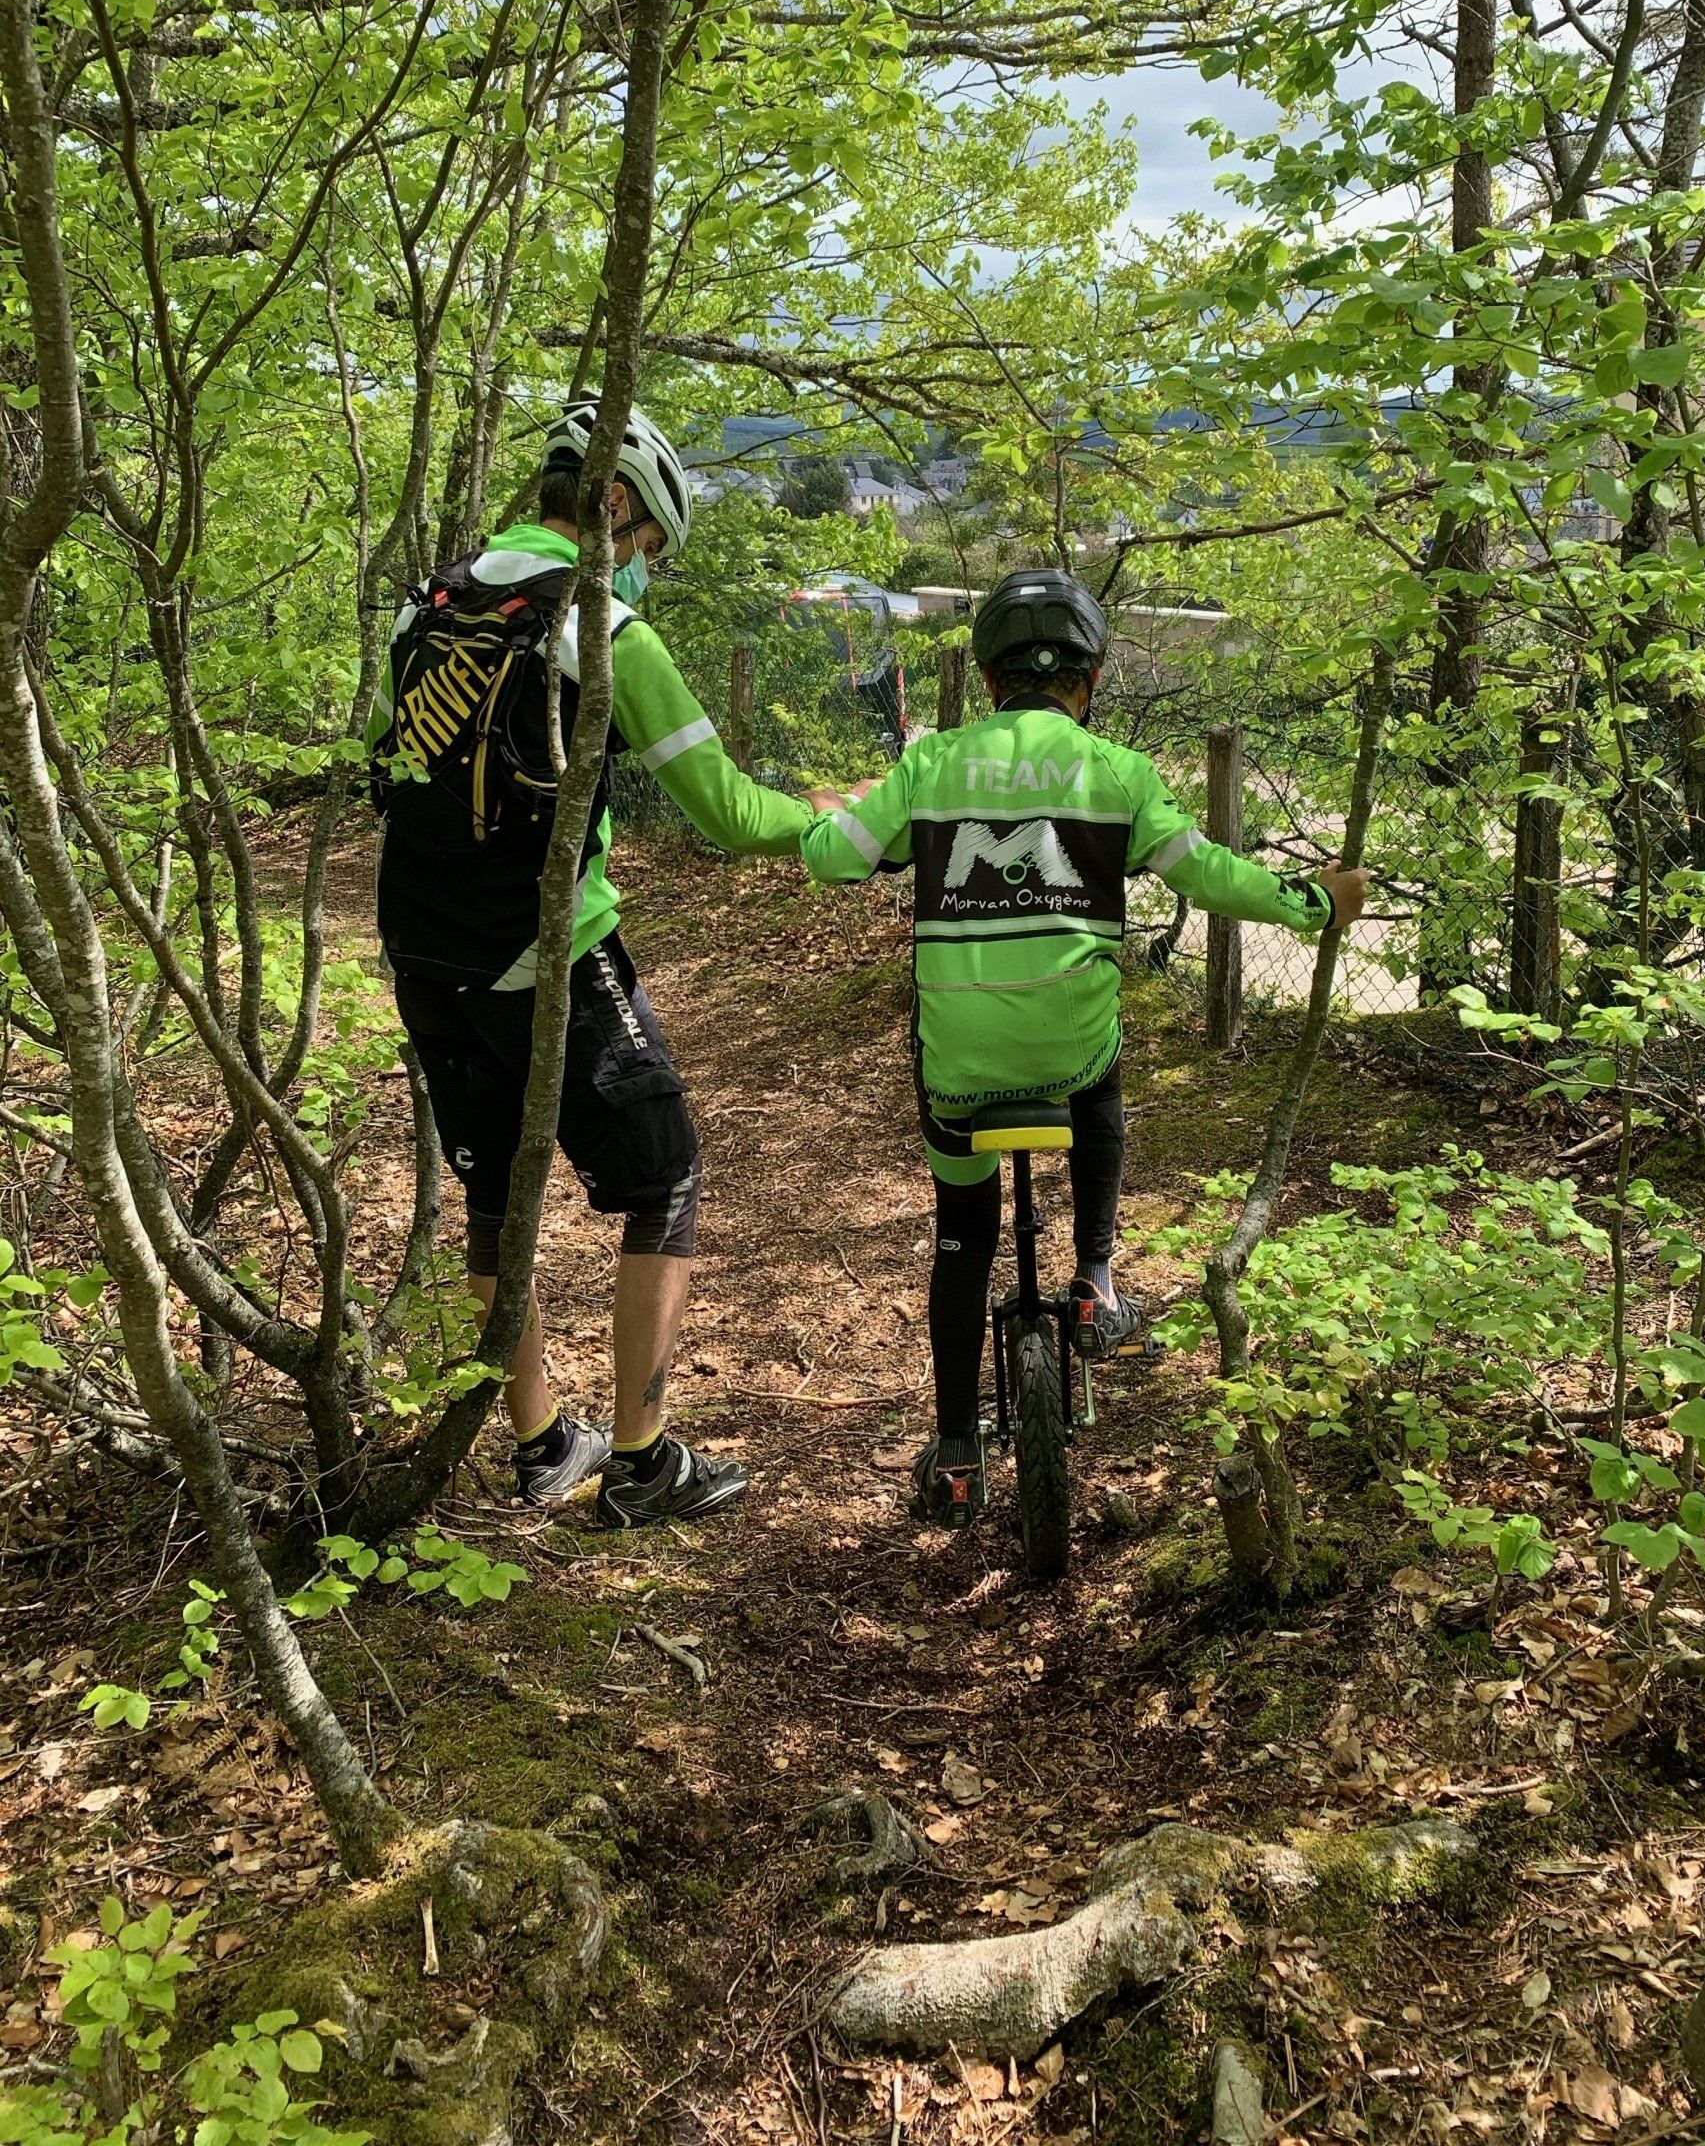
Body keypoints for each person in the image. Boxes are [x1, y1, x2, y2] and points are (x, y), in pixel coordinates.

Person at [800, 569, 1368, 1528]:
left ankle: (956, 1452)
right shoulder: (1119, 774)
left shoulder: (931, 766)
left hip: (960, 1073)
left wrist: (842, 809)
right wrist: (1318, 903)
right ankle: (1097, 1279)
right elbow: (1211, 876)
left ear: (989, 681)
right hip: (1069, 1056)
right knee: (1102, 1064)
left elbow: (830, 859)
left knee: (962, 1234)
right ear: (1090, 680)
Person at [368, 396, 831, 1527]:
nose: (645, 569)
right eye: (650, 545)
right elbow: (728, 812)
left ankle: (541, 1445)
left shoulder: (428, 605)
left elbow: (393, 766)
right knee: (664, 1175)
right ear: (617, 504)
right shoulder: (608, 631)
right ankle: (641, 1459)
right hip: (548, 952)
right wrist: (829, 818)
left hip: (422, 948)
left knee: (493, 1191)